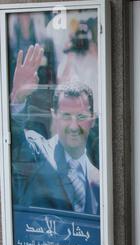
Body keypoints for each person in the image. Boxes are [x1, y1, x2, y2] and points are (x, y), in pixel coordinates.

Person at [11, 46, 99, 214]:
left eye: (80, 117)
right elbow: (14, 144)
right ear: (55, 117)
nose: (74, 126)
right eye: (66, 116)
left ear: (92, 120)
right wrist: (18, 97)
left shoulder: (99, 178)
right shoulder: (37, 152)